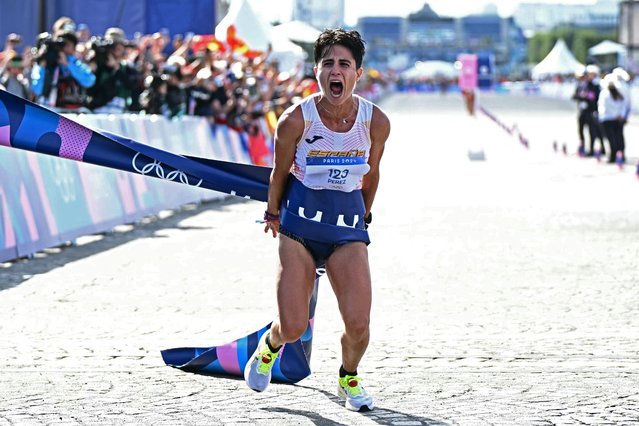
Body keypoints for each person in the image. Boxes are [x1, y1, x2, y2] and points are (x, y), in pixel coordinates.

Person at [243, 28, 391, 412]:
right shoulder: (296, 120)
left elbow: (371, 175)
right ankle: (269, 347)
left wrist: (365, 216)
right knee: (293, 327)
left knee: (359, 325)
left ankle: (348, 376)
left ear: (358, 73)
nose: (335, 71)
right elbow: (278, 173)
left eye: (344, 64)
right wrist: (273, 213)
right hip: (299, 231)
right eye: (328, 64)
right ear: (316, 70)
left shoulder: (375, 122)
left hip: (345, 231)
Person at [31, 30, 95, 110]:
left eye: (67, 45)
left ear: (74, 49)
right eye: (61, 45)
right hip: (52, 110)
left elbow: (89, 81)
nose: (63, 48)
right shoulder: (46, 63)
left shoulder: (75, 63)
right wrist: (42, 67)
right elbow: (38, 90)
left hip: (74, 111)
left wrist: (67, 64)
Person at [572, 65, 603, 156]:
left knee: (591, 131)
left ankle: (591, 149)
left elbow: (594, 97)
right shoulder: (580, 86)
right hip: (581, 111)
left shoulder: (593, 85)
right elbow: (574, 96)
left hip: (590, 111)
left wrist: (586, 96)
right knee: (580, 130)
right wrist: (582, 96)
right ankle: (582, 146)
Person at [598, 73, 626, 163]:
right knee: (618, 138)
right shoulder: (617, 93)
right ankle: (620, 154)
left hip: (608, 119)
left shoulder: (605, 93)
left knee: (612, 139)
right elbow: (622, 106)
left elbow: (604, 107)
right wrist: (620, 115)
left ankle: (614, 156)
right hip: (617, 119)